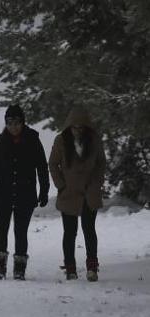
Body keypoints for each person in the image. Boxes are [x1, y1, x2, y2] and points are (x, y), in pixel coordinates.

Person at [0, 105, 50, 280]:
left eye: (17, 122)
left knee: (21, 231)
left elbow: (42, 167)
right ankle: (0, 268)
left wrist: (44, 190)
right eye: (9, 123)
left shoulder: (33, 140)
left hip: (25, 192)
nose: (13, 127)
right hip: (3, 191)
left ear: (23, 122)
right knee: (1, 230)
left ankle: (19, 269)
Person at [49, 106, 106, 281]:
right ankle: (70, 268)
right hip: (69, 193)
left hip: (89, 193)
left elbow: (101, 164)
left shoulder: (95, 141)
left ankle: (92, 267)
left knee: (89, 230)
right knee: (69, 232)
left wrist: (96, 184)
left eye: (81, 127)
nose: (78, 131)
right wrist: (61, 185)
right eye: (75, 127)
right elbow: (53, 164)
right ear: (69, 127)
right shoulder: (61, 141)